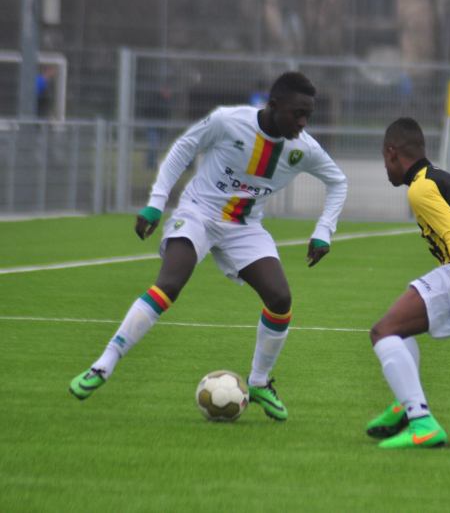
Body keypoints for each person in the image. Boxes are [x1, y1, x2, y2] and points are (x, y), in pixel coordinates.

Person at [69, 71, 348, 421]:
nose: (303, 122)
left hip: (244, 226)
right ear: (274, 105)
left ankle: (259, 382)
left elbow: (338, 182)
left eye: (309, 114)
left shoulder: (303, 148)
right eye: (298, 113)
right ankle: (103, 365)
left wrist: (324, 230)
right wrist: (156, 202)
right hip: (198, 213)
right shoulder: (227, 121)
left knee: (280, 299)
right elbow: (184, 148)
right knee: (170, 283)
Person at [366, 117, 450, 448]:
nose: (386, 169)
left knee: (381, 333)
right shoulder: (447, 180)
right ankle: (404, 405)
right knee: (395, 330)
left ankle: (421, 422)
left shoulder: (420, 189)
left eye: (385, 161)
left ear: (392, 153)